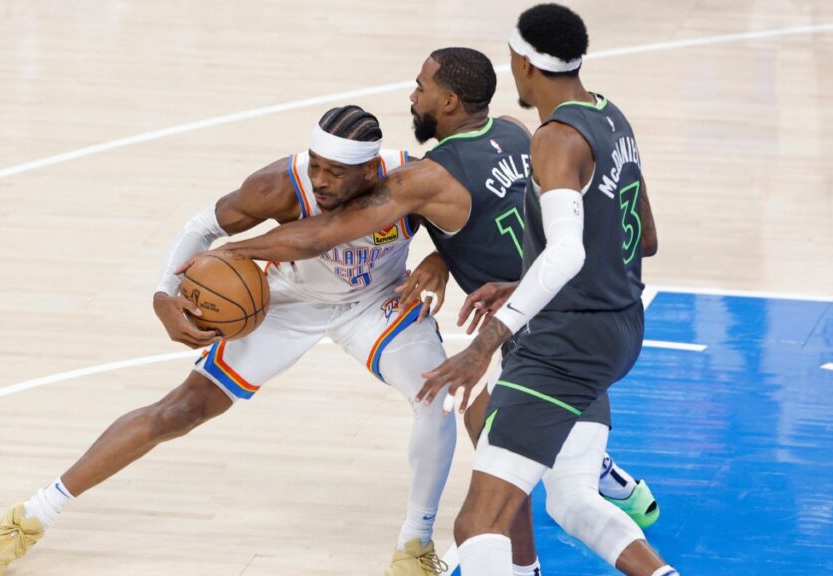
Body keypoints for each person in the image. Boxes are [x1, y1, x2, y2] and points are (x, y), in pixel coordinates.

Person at [223, 43, 669, 575]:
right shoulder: (520, 134)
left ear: (450, 102)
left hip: (540, 339)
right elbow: (525, 220)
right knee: (553, 488)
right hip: (594, 320)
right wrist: (442, 256)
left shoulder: (425, 179)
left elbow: (322, 234)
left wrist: (229, 252)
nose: (412, 96)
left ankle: (533, 546)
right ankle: (594, 486)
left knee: (482, 502)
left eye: (421, 87)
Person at [0, 105, 456, 576]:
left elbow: (465, 232)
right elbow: (203, 226)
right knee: (179, 411)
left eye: (335, 172)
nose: (320, 180)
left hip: (378, 302)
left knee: (438, 399)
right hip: (288, 302)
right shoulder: (281, 186)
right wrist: (163, 294)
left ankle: (414, 546)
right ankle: (32, 516)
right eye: (316, 165)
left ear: (369, 170)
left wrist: (440, 261)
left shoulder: (412, 179)